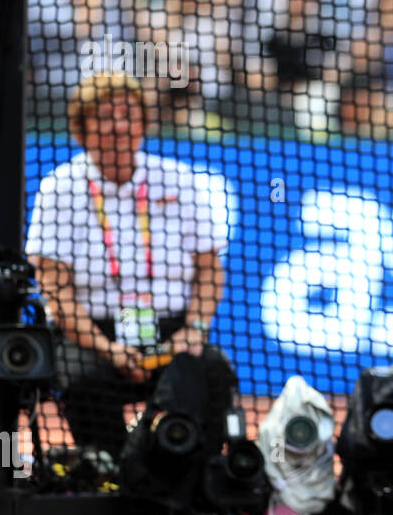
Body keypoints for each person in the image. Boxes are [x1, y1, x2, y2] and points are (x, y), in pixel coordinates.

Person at [26, 72, 237, 466]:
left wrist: (192, 332)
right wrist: (106, 347)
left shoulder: (181, 181)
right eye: (105, 115)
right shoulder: (59, 188)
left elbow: (209, 270)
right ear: (82, 129)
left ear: (143, 123)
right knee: (80, 376)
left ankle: (195, 474)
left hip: (171, 329)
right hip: (92, 333)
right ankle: (118, 471)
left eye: (128, 114)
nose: (118, 125)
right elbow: (54, 287)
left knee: (212, 370)